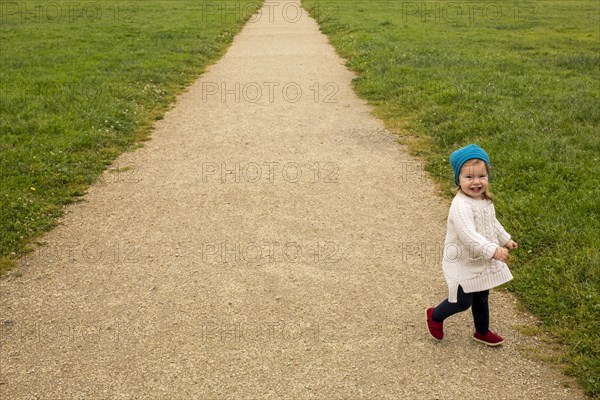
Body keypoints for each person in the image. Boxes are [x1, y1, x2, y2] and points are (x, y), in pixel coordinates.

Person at [426, 144, 518, 346]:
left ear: (488, 176)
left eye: (481, 176)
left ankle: (482, 331)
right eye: (469, 177)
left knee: (482, 295)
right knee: (462, 301)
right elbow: (469, 235)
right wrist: (493, 250)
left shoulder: (485, 200)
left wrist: (504, 239)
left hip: (481, 260)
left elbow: (491, 223)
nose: (476, 182)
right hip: (463, 260)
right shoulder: (460, 206)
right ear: (458, 179)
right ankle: (435, 315)